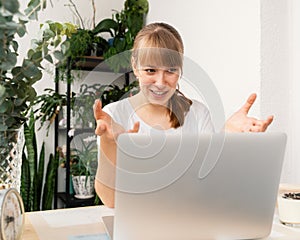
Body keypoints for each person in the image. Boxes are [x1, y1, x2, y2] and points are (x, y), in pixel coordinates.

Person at [93, 22, 273, 208]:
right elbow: (110, 200)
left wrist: (227, 138)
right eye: (150, 70)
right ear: (135, 66)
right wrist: (109, 143)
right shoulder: (114, 115)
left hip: (190, 220)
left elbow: (212, 186)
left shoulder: (198, 113)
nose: (160, 83)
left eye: (170, 71)